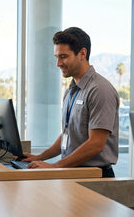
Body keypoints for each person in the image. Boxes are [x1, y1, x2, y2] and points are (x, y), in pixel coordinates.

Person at [19, 27, 119, 178]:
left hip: (95, 176)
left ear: (82, 54)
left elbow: (96, 144)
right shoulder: (71, 90)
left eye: (63, 56)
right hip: (72, 172)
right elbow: (69, 134)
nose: (58, 63)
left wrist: (55, 166)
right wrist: (40, 157)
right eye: (57, 57)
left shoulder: (99, 89)